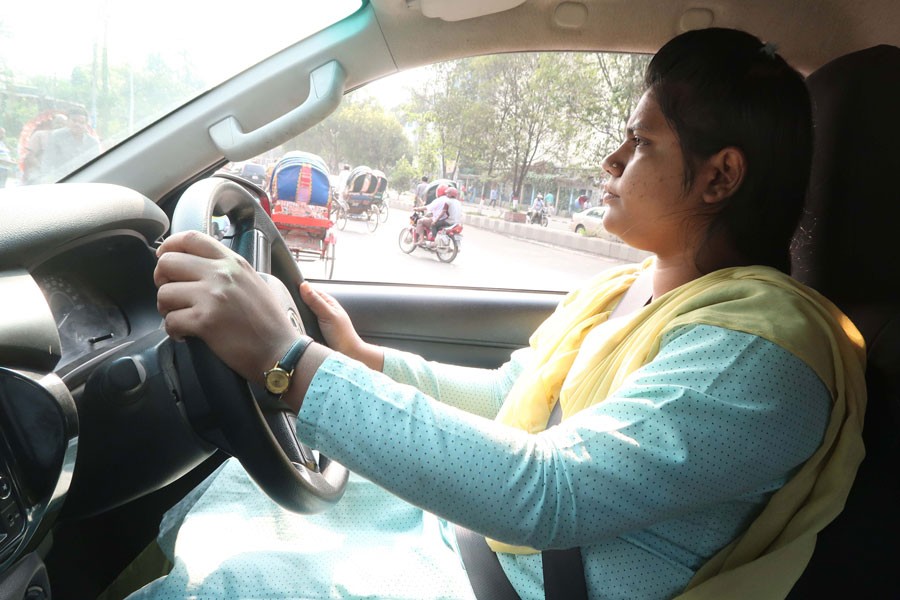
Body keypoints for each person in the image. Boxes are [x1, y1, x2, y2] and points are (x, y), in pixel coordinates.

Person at [139, 28, 866, 600]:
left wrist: (290, 363)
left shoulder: (761, 356)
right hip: (472, 541)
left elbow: (548, 494)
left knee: (223, 584)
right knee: (229, 498)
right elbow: (514, 398)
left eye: (641, 142)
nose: (612, 161)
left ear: (720, 177)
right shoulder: (630, 290)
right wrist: (364, 360)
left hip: (517, 582)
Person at [41, 106, 100, 181]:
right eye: (74, 121)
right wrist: (46, 179)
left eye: (81, 122)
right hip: (60, 179)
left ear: (86, 125)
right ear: (67, 121)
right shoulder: (56, 136)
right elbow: (47, 161)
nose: (77, 124)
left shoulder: (93, 142)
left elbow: (96, 166)